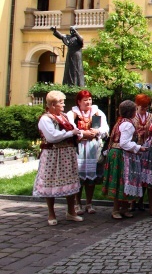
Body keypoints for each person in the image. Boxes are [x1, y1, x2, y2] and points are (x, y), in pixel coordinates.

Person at [33, 90, 83, 225]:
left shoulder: (64, 116)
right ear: (53, 104)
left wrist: (78, 133)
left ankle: (71, 211)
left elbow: (73, 129)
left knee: (70, 180)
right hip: (53, 154)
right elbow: (52, 137)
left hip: (67, 153)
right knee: (51, 183)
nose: (63, 104)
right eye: (61, 102)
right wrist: (69, 133)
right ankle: (51, 213)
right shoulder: (45, 118)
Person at [102, 100, 147, 219]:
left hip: (118, 153)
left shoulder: (121, 121)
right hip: (121, 155)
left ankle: (124, 208)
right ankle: (116, 209)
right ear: (132, 112)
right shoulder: (127, 124)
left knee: (124, 181)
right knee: (120, 181)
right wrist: (138, 148)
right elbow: (124, 143)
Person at [66, 90, 109, 215]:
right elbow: (69, 127)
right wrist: (82, 133)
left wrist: (97, 132)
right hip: (78, 147)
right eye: (85, 100)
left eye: (89, 99)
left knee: (91, 176)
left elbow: (104, 127)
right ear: (79, 102)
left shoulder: (96, 112)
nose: (88, 102)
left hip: (92, 147)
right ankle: (77, 203)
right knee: (78, 176)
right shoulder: (73, 113)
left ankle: (89, 203)